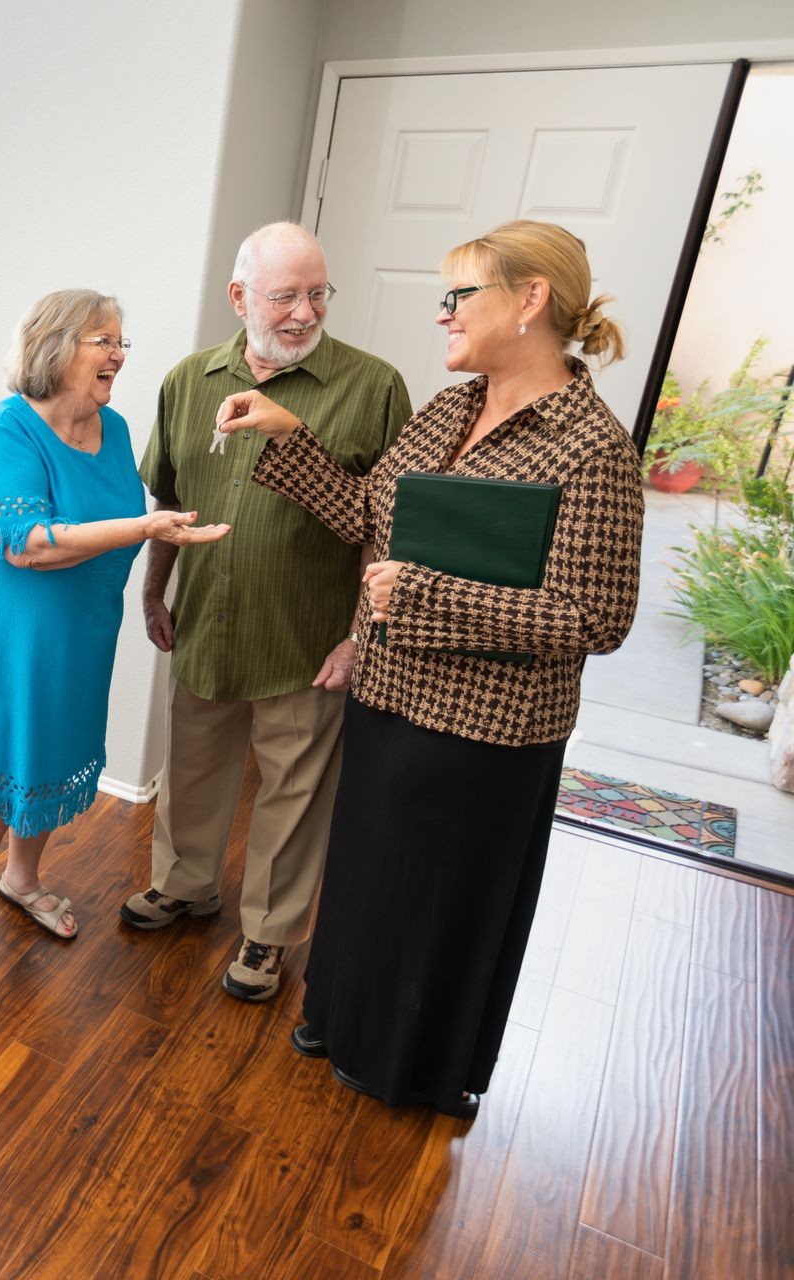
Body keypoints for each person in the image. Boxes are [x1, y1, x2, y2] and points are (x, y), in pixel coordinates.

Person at [216, 219, 643, 1117]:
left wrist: (427, 597)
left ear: (529, 302)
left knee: (439, 908)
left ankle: (408, 1065)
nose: (442, 314)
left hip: (486, 736)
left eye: (460, 297)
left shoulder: (590, 446)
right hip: (390, 702)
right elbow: (370, 521)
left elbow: (595, 618)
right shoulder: (448, 410)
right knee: (368, 880)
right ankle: (339, 1023)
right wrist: (288, 435)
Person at [120, 224, 411, 1003]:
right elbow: (169, 500)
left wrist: (358, 636)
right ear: (239, 297)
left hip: (306, 635)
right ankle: (185, 886)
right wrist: (154, 589)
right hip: (207, 622)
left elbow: (387, 528)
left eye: (318, 294)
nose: (304, 313)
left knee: (294, 788)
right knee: (193, 767)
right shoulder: (189, 380)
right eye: (285, 296)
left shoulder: (374, 387)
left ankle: (269, 933)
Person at [0, 289, 229, 970]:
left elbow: (110, 518)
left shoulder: (115, 429)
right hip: (9, 633)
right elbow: (28, 546)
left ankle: (22, 879)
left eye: (122, 341)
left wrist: (148, 547)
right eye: (105, 340)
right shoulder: (3, 432)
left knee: (50, 751)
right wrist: (147, 528)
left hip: (82, 628)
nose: (119, 355)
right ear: (56, 346)